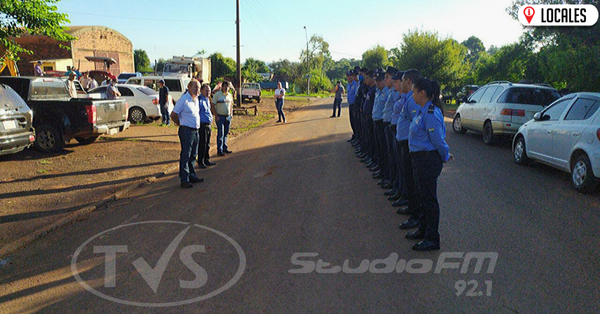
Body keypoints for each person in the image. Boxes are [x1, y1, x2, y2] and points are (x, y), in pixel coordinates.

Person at [407, 77, 453, 251]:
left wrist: (446, 155)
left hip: (427, 161)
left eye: (414, 92)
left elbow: (437, 140)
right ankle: (423, 230)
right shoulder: (422, 111)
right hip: (420, 159)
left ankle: (432, 238)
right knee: (423, 198)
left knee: (429, 200)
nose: (412, 95)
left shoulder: (431, 112)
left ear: (422, 93)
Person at [395, 69, 423, 229]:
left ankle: (415, 215)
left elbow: (415, 125)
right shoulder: (407, 98)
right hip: (404, 143)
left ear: (410, 82)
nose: (401, 83)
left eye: (403, 80)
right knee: (408, 179)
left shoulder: (412, 100)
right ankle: (412, 208)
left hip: (409, 145)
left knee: (413, 183)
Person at [170, 79, 204, 188]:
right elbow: (173, 114)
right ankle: (184, 179)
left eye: (199, 88)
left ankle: (191, 175)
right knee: (186, 155)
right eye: (195, 87)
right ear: (189, 87)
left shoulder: (196, 99)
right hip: (186, 131)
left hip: (195, 131)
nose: (197, 90)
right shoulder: (184, 99)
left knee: (193, 155)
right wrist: (181, 124)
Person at [198, 83, 217, 169]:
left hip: (208, 124)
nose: (208, 92)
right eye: (206, 90)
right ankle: (201, 161)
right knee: (202, 143)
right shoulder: (199, 100)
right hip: (202, 125)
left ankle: (206, 159)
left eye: (209, 90)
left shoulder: (207, 99)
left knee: (207, 144)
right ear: (201, 90)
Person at [212, 81, 234, 156]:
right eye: (225, 86)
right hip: (220, 116)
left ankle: (225, 148)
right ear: (222, 86)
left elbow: (231, 105)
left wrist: (231, 114)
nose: (226, 88)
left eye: (228, 87)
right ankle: (219, 150)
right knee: (220, 133)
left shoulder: (230, 95)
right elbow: (213, 105)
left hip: (228, 117)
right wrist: (216, 115)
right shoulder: (217, 95)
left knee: (225, 133)